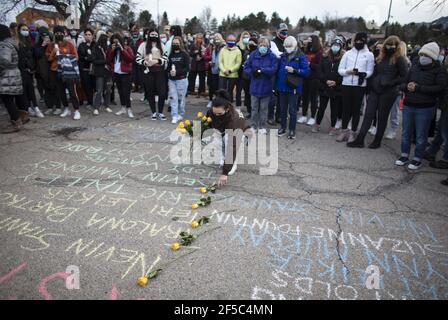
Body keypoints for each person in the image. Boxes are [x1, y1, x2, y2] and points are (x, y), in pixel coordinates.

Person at [347, 35, 408, 149]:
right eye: (389, 44)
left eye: (394, 45)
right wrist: (370, 84)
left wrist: (390, 82)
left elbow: (404, 76)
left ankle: (377, 140)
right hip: (376, 90)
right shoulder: (381, 57)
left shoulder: (400, 59)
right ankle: (360, 139)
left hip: (389, 92)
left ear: (397, 46)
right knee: (368, 114)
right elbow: (375, 73)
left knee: (382, 117)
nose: (391, 47)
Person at [395, 42, 448, 171]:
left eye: (426, 55)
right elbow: (402, 83)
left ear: (433, 57)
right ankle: (404, 155)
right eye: (422, 54)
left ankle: (417, 158)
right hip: (409, 104)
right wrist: (406, 87)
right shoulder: (414, 67)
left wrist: (419, 88)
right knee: (406, 132)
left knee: (421, 134)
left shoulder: (439, 70)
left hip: (425, 107)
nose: (423, 57)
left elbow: (440, 88)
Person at [206, 89, 250, 187]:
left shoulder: (235, 120)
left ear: (227, 109)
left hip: (240, 132)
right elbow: (206, 122)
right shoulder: (212, 111)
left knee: (227, 144)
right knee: (217, 143)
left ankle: (232, 164)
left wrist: (224, 173)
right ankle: (223, 158)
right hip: (222, 129)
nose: (216, 115)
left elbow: (232, 148)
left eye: (219, 114)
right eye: (215, 113)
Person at [337, 32, 375, 143]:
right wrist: (347, 72)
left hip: (359, 85)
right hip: (347, 84)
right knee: (346, 109)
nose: (358, 43)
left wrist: (363, 74)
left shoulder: (369, 55)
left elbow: (370, 71)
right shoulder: (348, 53)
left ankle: (353, 132)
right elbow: (340, 69)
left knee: (356, 110)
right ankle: (344, 131)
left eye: (361, 41)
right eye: (357, 41)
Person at [276, 36, 310, 139]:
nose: (288, 48)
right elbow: (278, 71)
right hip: (282, 87)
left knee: (292, 110)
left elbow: (307, 71)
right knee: (282, 109)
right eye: (286, 46)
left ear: (294, 45)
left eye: (290, 46)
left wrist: (295, 71)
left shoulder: (301, 56)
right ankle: (282, 127)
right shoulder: (282, 56)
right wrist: (275, 86)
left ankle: (292, 130)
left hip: (293, 88)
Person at [243, 37, 278, 134]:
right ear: (258, 45)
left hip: (266, 86)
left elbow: (274, 69)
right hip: (254, 86)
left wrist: (262, 70)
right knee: (254, 108)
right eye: (261, 45)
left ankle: (262, 126)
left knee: (263, 108)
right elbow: (246, 67)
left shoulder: (272, 57)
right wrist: (252, 72)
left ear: (268, 46)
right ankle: (253, 126)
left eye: (265, 45)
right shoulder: (253, 55)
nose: (263, 47)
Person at [45, 25, 81, 120]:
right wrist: (53, 52)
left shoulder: (69, 44)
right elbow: (48, 59)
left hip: (68, 71)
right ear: (54, 34)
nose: (59, 34)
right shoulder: (50, 45)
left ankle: (76, 110)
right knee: (61, 91)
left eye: (61, 32)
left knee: (72, 91)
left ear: (64, 33)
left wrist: (65, 56)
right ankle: (66, 108)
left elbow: (76, 57)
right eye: (57, 33)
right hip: (56, 71)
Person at [0, 24, 28, 133]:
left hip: (7, 75)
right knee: (12, 98)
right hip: (13, 74)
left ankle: (16, 122)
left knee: (7, 99)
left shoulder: (4, 45)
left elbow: (4, 60)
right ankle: (22, 116)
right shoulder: (11, 43)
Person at [314, 37, 345, 135]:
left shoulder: (343, 58)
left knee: (334, 109)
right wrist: (326, 80)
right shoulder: (324, 57)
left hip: (336, 88)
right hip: (324, 86)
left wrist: (336, 82)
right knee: (321, 107)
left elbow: (343, 74)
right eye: (334, 45)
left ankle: (333, 127)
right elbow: (320, 71)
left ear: (341, 47)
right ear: (331, 46)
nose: (335, 47)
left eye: (338, 46)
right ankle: (317, 124)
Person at [136, 28, 168, 120]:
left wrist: (157, 60)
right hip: (148, 71)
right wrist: (145, 62)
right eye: (152, 35)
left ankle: (161, 112)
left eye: (155, 35)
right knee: (150, 92)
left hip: (160, 71)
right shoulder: (143, 45)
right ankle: (153, 112)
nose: (153, 36)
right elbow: (138, 58)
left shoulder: (161, 45)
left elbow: (166, 57)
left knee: (162, 93)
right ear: (148, 35)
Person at [17, 23, 44, 118]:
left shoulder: (29, 43)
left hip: (30, 70)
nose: (25, 31)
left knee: (31, 89)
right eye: (23, 29)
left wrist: (32, 67)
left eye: (26, 29)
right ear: (19, 31)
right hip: (21, 70)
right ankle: (28, 107)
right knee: (24, 89)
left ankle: (35, 107)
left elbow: (33, 56)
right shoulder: (17, 43)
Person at [385, 41, 411, 140]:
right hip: (387, 88)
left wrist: (400, 87)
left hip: (397, 89)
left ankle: (393, 129)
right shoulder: (391, 59)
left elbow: (405, 76)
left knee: (394, 111)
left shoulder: (406, 61)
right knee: (385, 109)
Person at [107, 33, 135, 118]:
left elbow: (130, 59)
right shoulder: (113, 50)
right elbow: (108, 60)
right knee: (120, 92)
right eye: (114, 42)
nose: (115, 44)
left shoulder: (127, 48)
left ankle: (129, 109)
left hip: (126, 73)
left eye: (117, 42)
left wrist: (122, 49)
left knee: (126, 92)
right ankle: (123, 108)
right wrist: (112, 50)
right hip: (117, 73)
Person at [298, 35, 323, 126]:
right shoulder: (306, 51)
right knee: (304, 98)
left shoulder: (319, 53)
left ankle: (312, 117)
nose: (308, 42)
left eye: (310, 40)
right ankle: (304, 115)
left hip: (314, 79)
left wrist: (310, 64)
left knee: (313, 99)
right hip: (305, 78)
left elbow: (319, 67)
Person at [268, 23, 288, 126]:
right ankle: (270, 116)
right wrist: (288, 54)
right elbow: (278, 54)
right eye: (282, 31)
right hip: (275, 72)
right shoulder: (273, 42)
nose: (284, 33)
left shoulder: (288, 41)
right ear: (277, 31)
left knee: (282, 95)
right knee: (273, 96)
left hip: (285, 72)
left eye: (286, 31)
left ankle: (279, 116)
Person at [167, 36, 190, 124]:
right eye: (174, 43)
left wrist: (177, 72)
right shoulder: (171, 55)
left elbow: (187, 68)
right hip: (172, 80)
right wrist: (170, 72)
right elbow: (168, 67)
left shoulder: (185, 55)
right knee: (173, 98)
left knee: (180, 99)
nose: (175, 45)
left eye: (177, 43)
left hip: (182, 80)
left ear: (180, 44)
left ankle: (181, 113)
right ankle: (174, 115)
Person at [92, 31, 113, 115]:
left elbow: (111, 59)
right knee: (99, 90)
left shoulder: (108, 48)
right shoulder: (96, 48)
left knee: (108, 90)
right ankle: (96, 107)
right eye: (104, 40)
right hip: (99, 72)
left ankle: (107, 105)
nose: (105, 42)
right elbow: (94, 60)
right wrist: (104, 62)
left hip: (108, 72)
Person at [218, 34, 242, 102]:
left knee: (230, 92)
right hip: (223, 74)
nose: (231, 42)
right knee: (221, 91)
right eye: (229, 40)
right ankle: (221, 105)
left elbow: (238, 63)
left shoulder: (238, 51)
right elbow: (220, 62)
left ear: (235, 41)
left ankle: (229, 106)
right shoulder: (222, 50)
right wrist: (224, 70)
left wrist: (230, 70)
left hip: (233, 75)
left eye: (232, 40)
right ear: (226, 41)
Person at [77, 28, 96, 111]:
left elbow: (95, 56)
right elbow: (81, 57)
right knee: (87, 87)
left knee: (95, 86)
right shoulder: (81, 45)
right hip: (85, 69)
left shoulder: (95, 45)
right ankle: (89, 102)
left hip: (95, 69)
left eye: (89, 34)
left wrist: (88, 57)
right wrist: (88, 57)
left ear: (92, 36)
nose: (87, 36)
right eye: (86, 34)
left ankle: (96, 101)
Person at [207, 33, 225, 108]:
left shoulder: (223, 47)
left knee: (219, 87)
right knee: (212, 86)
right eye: (215, 38)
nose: (216, 39)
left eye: (218, 38)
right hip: (213, 69)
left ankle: (219, 101)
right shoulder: (214, 48)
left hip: (221, 70)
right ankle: (212, 100)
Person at [236, 31, 251, 110]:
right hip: (240, 70)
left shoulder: (250, 46)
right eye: (244, 37)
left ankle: (248, 107)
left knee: (248, 91)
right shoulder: (238, 46)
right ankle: (238, 106)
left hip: (248, 72)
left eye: (247, 37)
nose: (246, 39)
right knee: (239, 90)